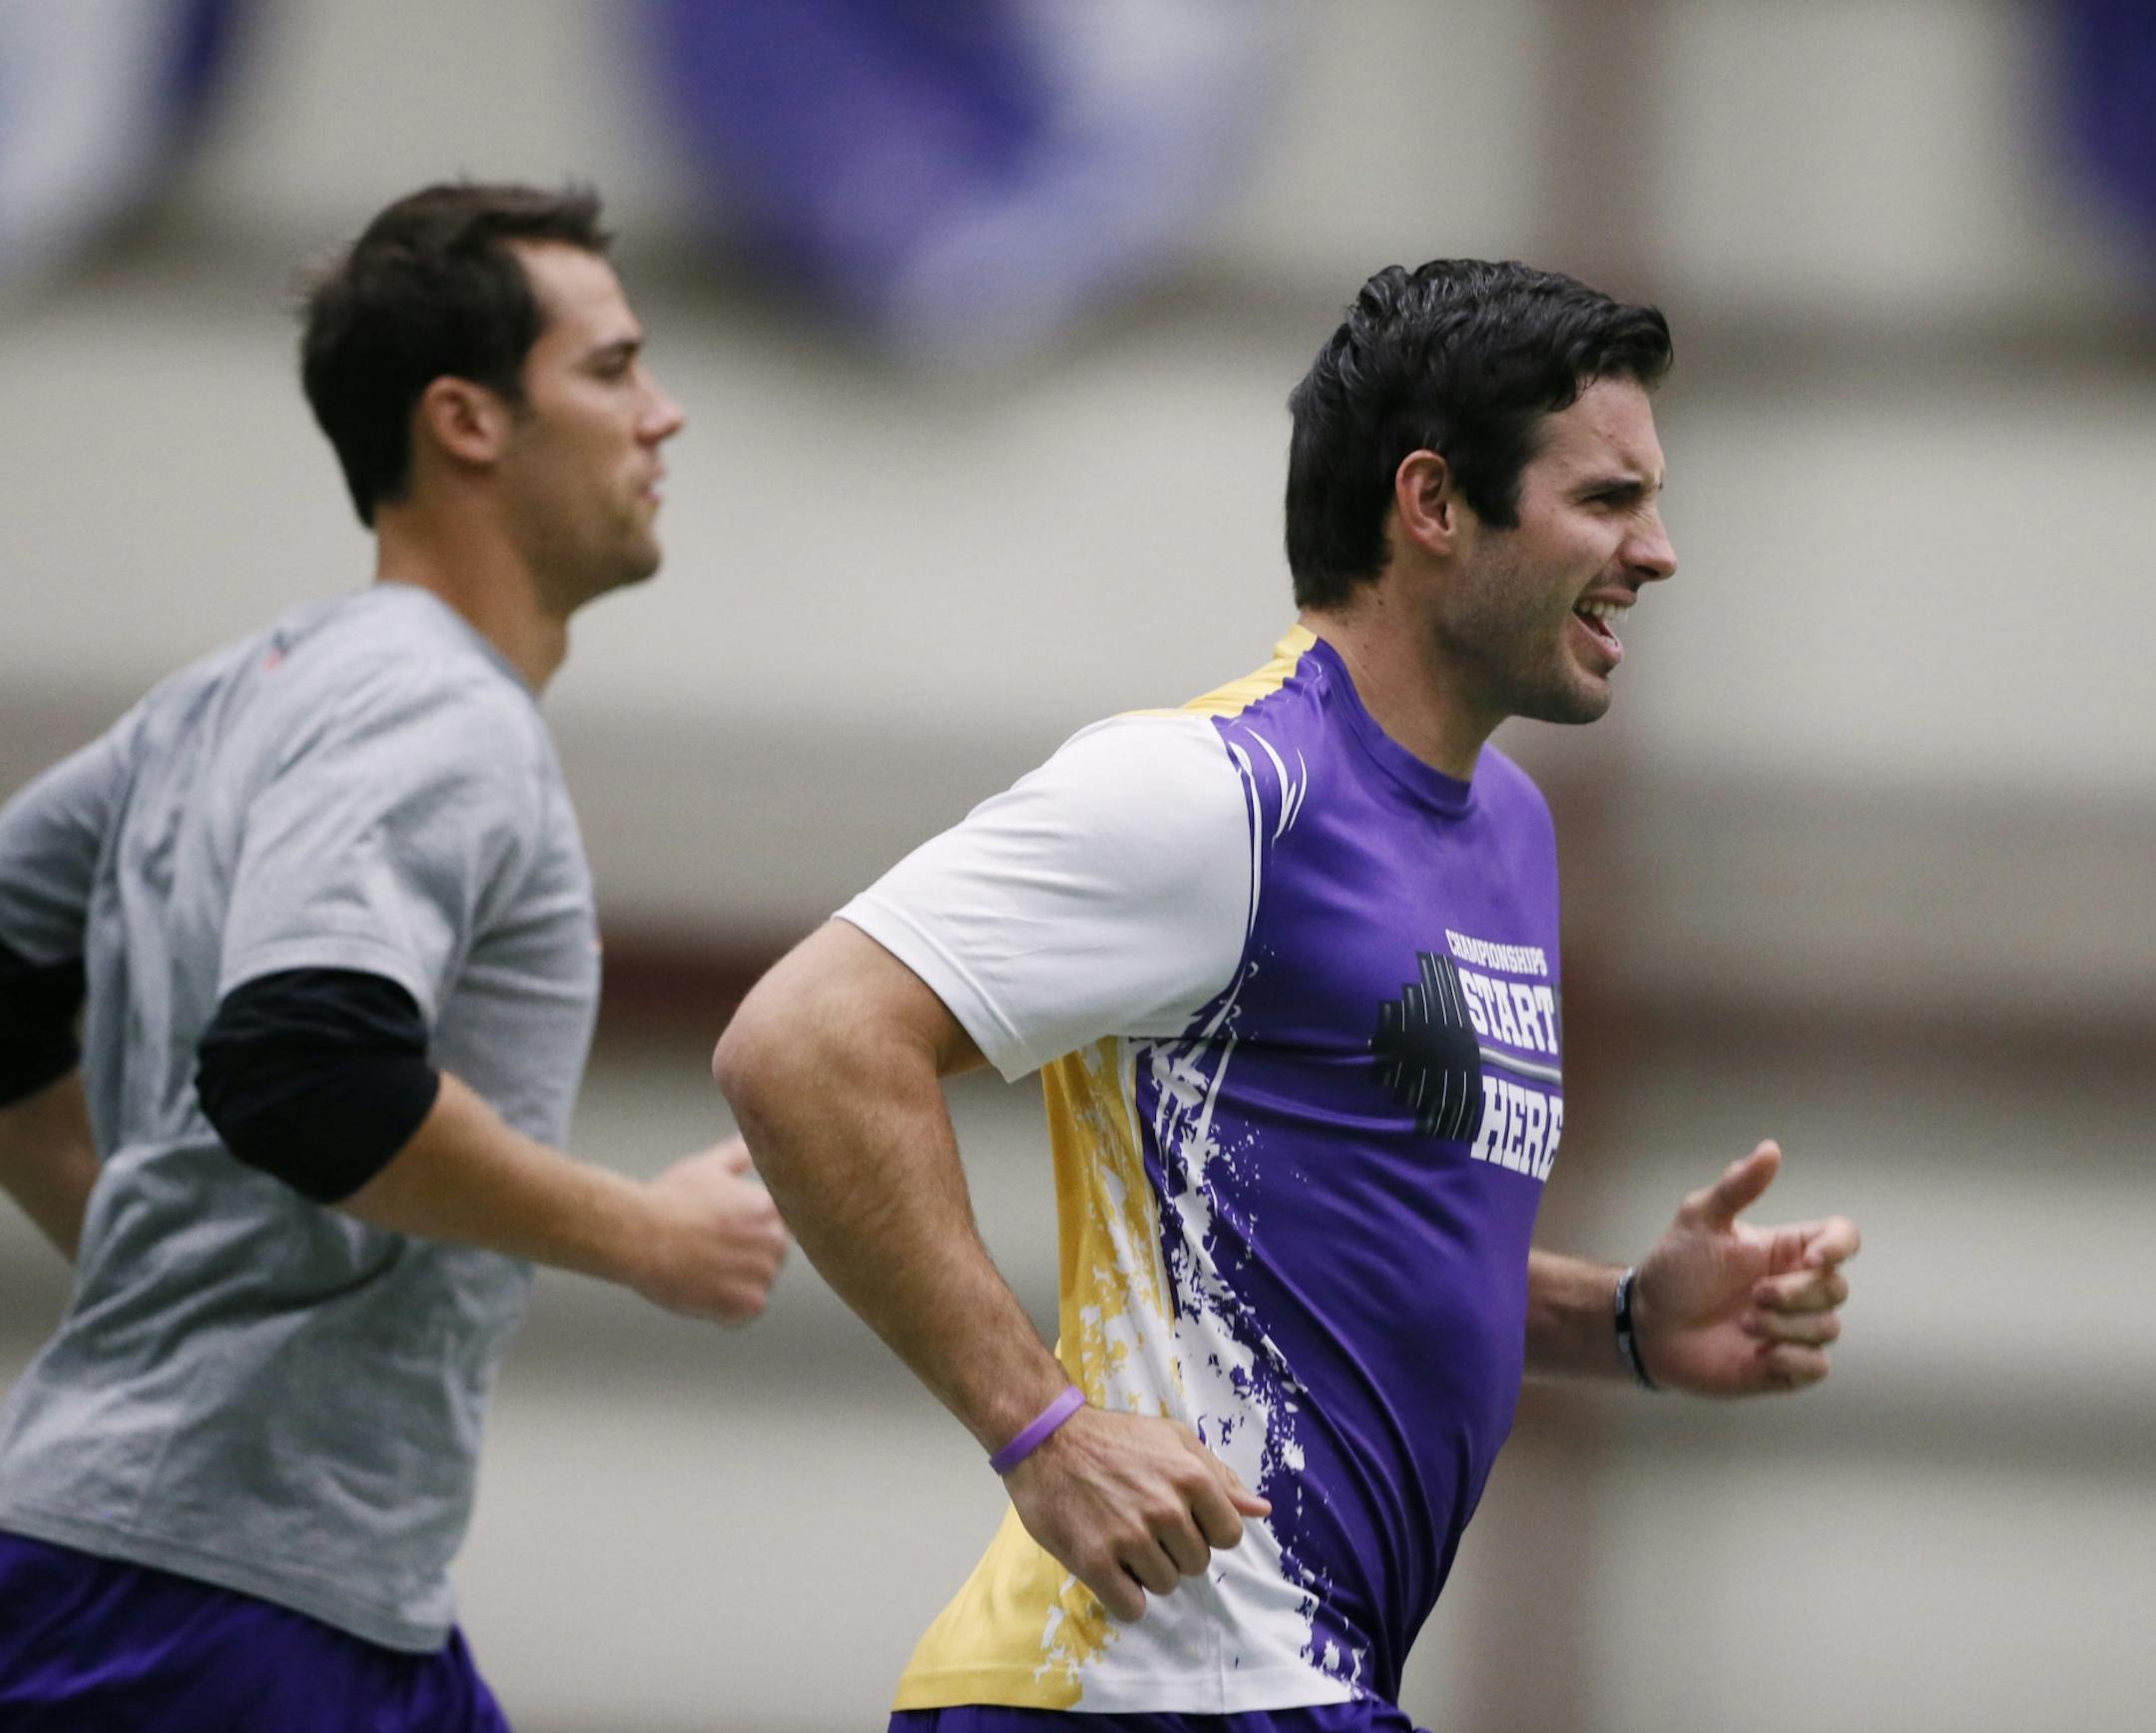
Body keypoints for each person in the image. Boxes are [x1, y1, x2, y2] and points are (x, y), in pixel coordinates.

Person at [714, 259, 1862, 1731]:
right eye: (1607, 499)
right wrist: (1041, 1431)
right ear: (1433, 503)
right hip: (1143, 1684)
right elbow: (803, 1041)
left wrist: (1621, 1320)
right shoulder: (1221, 793)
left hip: (1297, 1684)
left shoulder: (1511, 829)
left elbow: (1336, 1236)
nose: (1660, 552)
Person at [0, 182, 788, 1731]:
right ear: (466, 422)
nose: (664, 414)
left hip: (252, 1581)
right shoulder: (434, 707)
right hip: (208, 1607)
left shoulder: (234, 693)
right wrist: (645, 1234)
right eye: (613, 369)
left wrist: (132, 1237)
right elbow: (307, 1070)